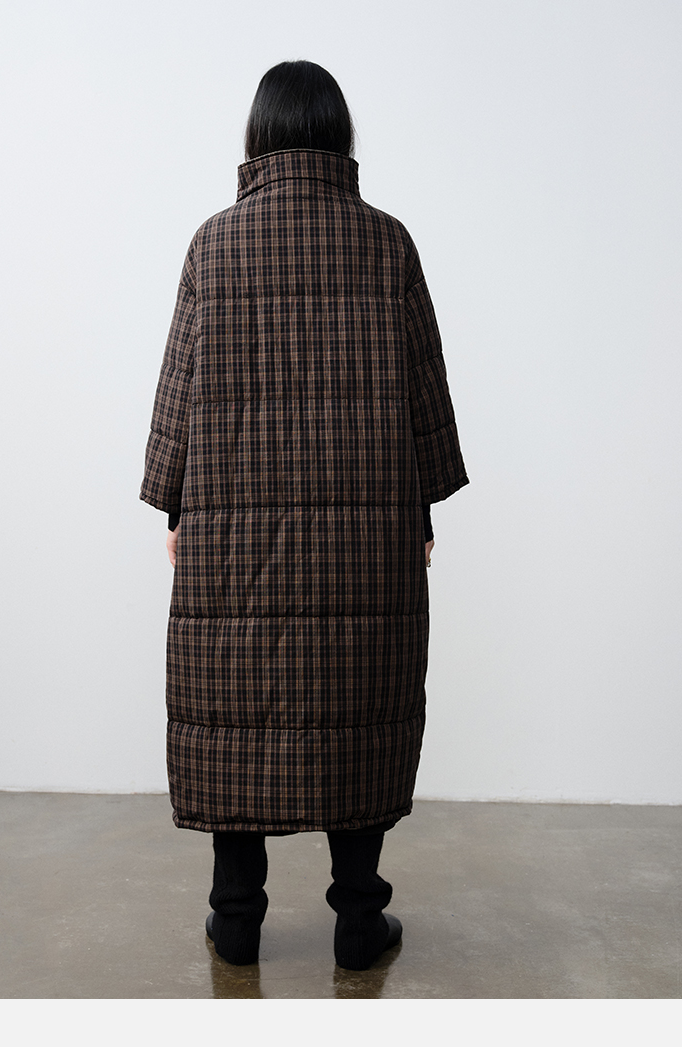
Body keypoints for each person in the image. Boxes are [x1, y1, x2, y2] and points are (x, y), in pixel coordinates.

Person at [140, 60, 468, 971]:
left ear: (258, 138)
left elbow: (178, 388)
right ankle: (359, 920)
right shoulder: (388, 243)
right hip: (367, 537)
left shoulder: (213, 244)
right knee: (361, 706)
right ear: (340, 138)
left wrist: (173, 502)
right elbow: (424, 390)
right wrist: (424, 511)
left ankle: (236, 917)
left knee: (232, 710)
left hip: (232, 538)